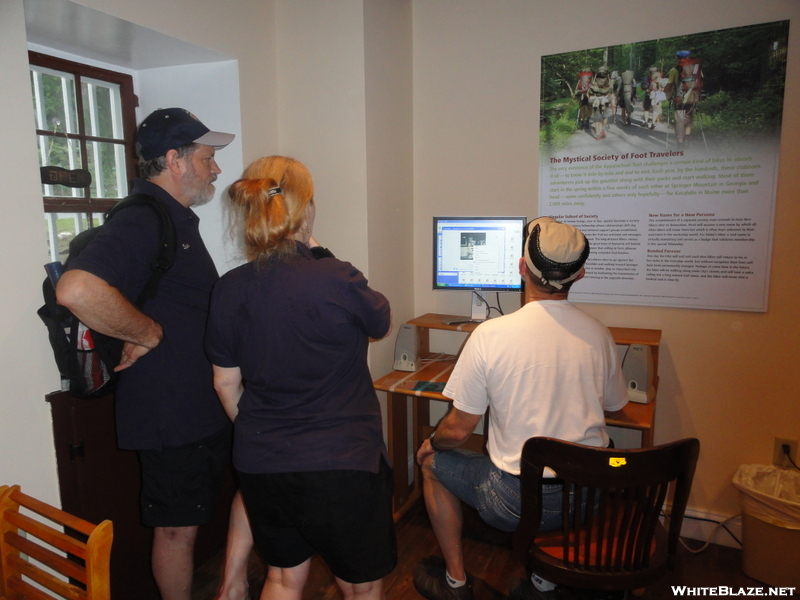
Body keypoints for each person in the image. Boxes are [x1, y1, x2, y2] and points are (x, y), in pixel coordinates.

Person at [56, 107, 247, 600]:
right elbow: (77, 290)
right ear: (174, 160)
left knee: (207, 514)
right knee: (177, 532)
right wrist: (149, 334)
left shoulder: (174, 218)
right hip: (170, 413)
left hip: (198, 408)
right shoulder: (144, 217)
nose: (216, 169)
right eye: (207, 158)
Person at [204, 156, 396, 600]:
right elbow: (380, 321)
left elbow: (224, 385)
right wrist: (320, 250)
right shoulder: (337, 277)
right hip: (342, 462)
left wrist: (264, 431)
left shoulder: (228, 287)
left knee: (283, 578)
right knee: (361, 587)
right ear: (305, 209)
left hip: (263, 462)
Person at [412, 217, 628, 600]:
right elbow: (614, 406)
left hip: (514, 502)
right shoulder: (600, 334)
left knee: (430, 464)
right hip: (588, 496)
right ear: (580, 275)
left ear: (521, 267)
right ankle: (543, 581)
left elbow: (459, 430)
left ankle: (456, 582)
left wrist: (432, 442)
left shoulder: (491, 336)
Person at [666, 50, 704, 145]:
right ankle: (687, 138)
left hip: (680, 98)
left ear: (678, 58)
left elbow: (669, 85)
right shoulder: (696, 68)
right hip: (693, 96)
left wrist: (668, 96)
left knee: (679, 120)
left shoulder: (674, 70)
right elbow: (701, 81)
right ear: (689, 57)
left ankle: (680, 142)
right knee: (688, 117)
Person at [586, 67, 614, 140]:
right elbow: (611, 92)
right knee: (605, 116)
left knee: (597, 117)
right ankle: (603, 130)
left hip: (596, 100)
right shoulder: (608, 81)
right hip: (605, 100)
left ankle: (597, 133)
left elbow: (590, 92)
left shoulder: (594, 81)